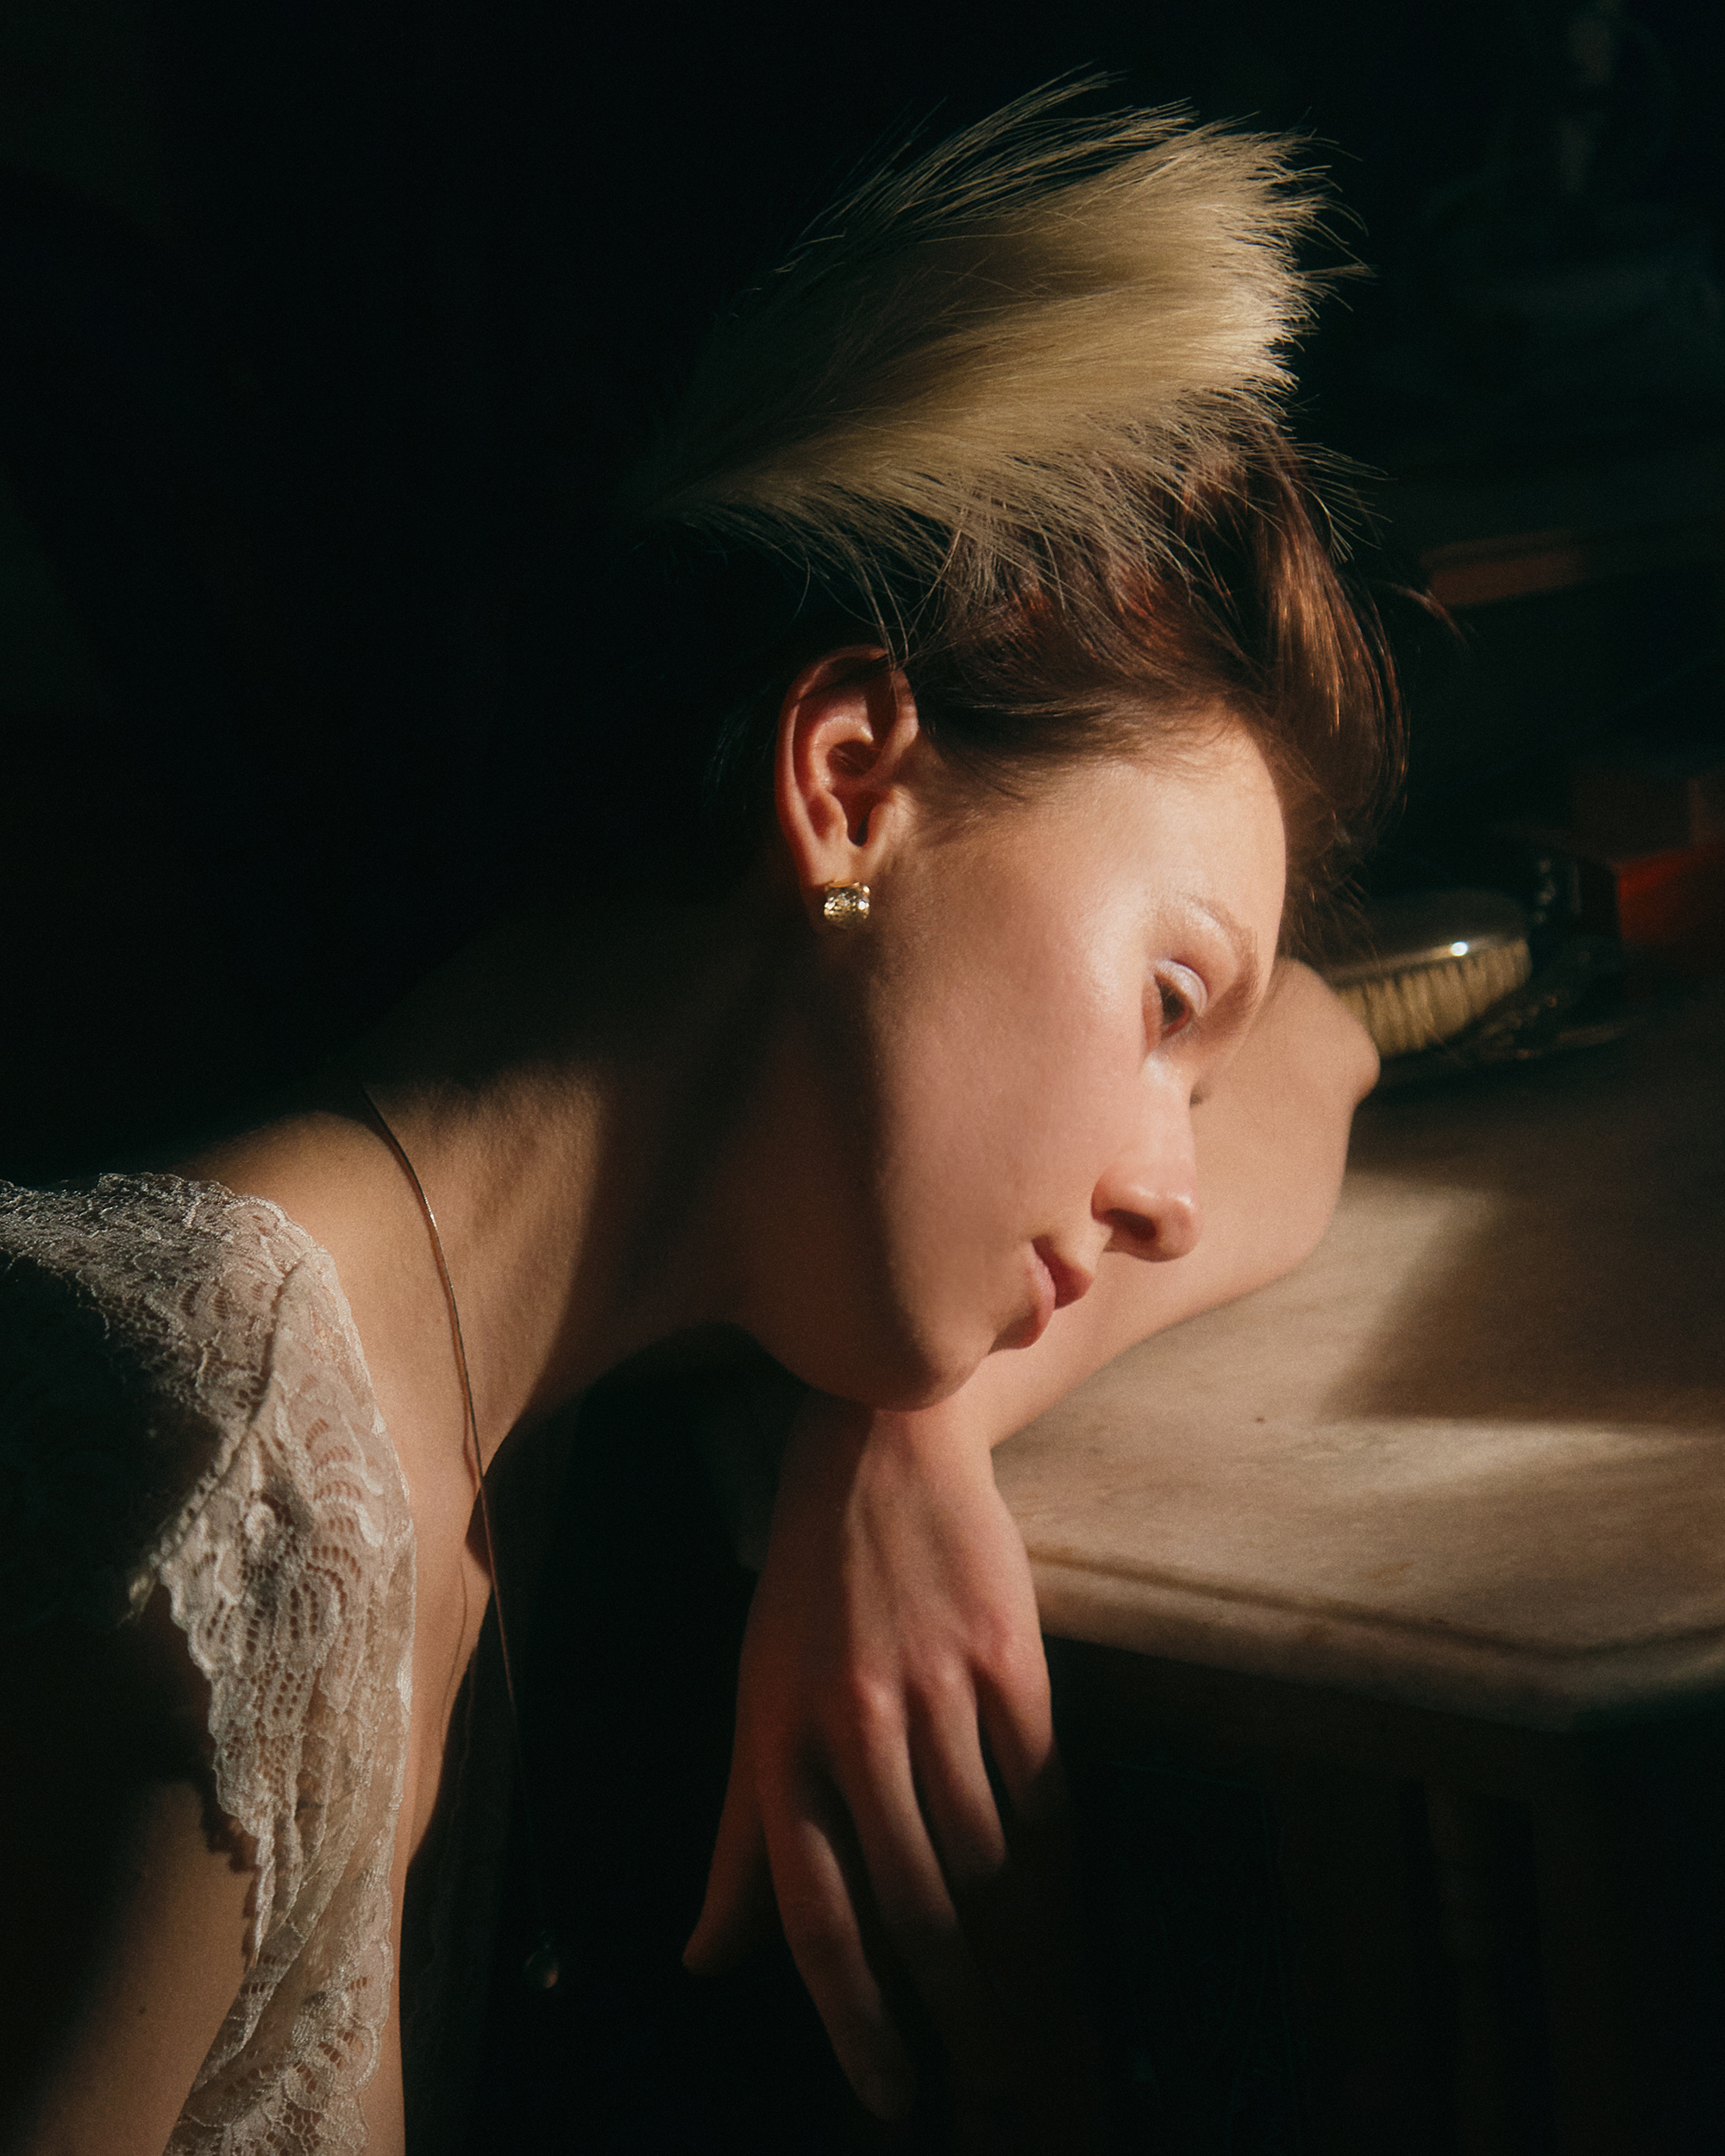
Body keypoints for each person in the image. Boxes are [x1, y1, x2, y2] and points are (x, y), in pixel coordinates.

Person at [0, 83, 1392, 2156]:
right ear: (847, 781)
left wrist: (908, 1426)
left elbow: (1323, 1054)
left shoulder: (430, 1385)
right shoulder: (209, 1451)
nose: (1169, 1195)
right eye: (1162, 1001)